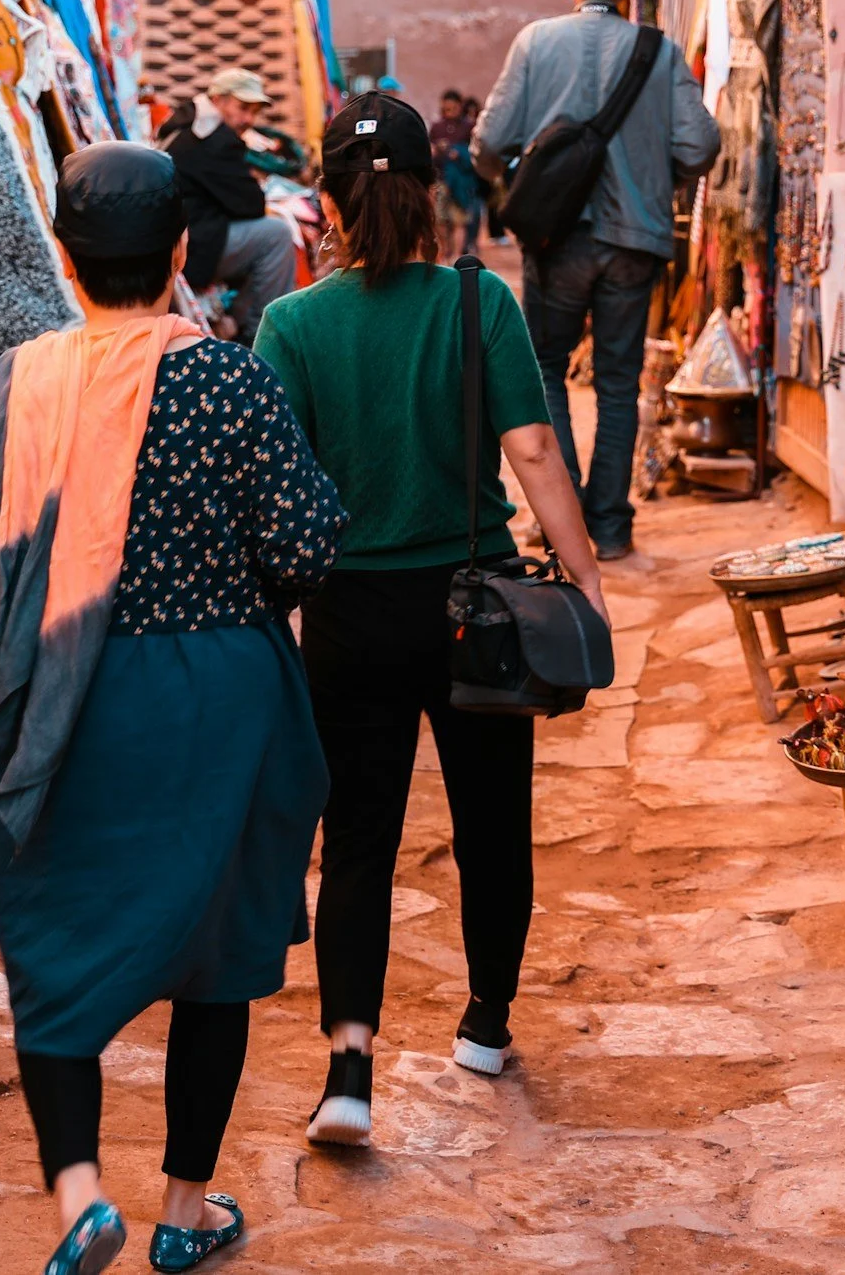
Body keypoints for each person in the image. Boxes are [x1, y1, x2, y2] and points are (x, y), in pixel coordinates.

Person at [0, 142, 346, 1275]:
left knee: (51, 926)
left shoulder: (19, 384)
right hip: (217, 696)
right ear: (179, 253)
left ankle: (79, 1192)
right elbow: (308, 546)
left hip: (68, 690)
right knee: (215, 947)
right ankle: (183, 1203)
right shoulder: (228, 378)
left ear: (67, 262)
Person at [253, 91, 607, 1150]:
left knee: (357, 838)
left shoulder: (292, 324)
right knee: (491, 822)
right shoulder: (476, 304)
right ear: (426, 197)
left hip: (348, 614)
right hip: (475, 605)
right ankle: (485, 1024)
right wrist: (585, 582)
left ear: (324, 198)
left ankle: (350, 1068)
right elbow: (535, 452)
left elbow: (278, 490)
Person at [477, 0, 720, 561]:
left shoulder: (534, 42)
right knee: (618, 381)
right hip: (635, 240)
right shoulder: (659, 52)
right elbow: (699, 147)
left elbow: (488, 142)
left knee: (548, 372)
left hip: (557, 241)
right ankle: (611, 526)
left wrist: (523, 175)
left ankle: (565, 518)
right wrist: (651, 173)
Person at [157, 67, 300, 342]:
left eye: (254, 111)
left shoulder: (183, 124)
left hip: (178, 235)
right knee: (277, 235)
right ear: (219, 100)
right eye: (243, 107)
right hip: (193, 244)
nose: (248, 119)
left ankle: (235, 322)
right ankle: (265, 337)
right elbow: (251, 204)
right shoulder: (213, 138)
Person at [428, 88, 484, 258]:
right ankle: (448, 254)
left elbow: (478, 153)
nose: (449, 112)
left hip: (465, 182)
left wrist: (459, 153)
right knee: (442, 221)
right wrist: (437, 151)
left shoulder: (470, 127)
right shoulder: (437, 127)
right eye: (446, 109)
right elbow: (430, 153)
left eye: (452, 108)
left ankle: (463, 254)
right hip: (443, 181)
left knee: (465, 220)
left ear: (460, 106)